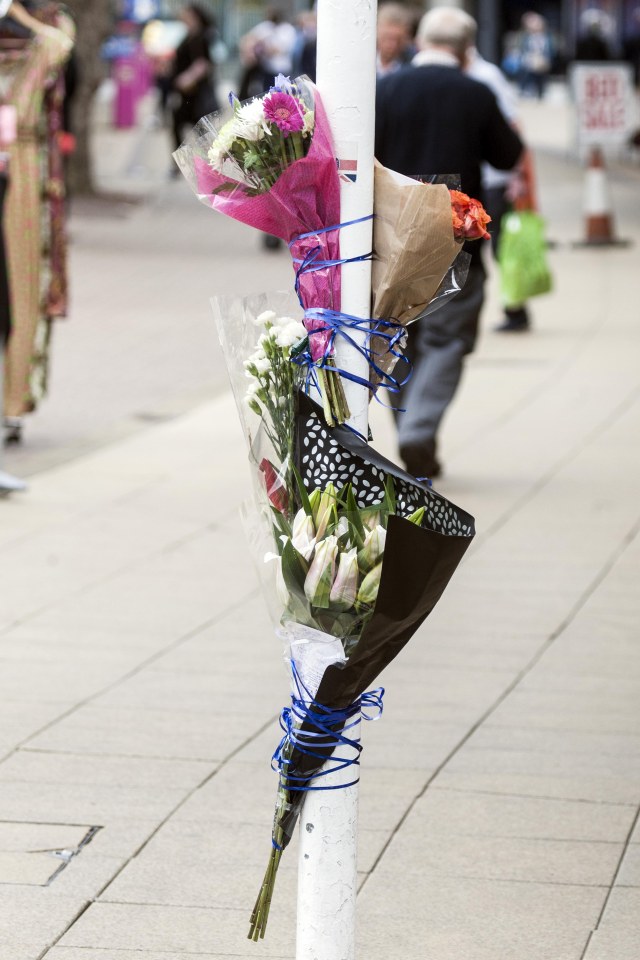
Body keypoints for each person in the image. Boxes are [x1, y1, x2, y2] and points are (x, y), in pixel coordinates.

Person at [375, 7, 523, 478]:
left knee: (397, 337)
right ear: (465, 52)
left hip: (394, 241)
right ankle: (420, 427)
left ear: (420, 43)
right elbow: (507, 153)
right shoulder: (475, 92)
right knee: (447, 340)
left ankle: (408, 429)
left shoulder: (385, 89)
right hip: (458, 239)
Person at [0, 0, 74, 443]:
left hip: (22, 173)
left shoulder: (45, 36)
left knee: (22, 284)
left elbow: (59, 43)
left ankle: (13, 398)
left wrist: (15, 13)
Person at [466, 45, 536, 333]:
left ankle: (516, 308)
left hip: (493, 179)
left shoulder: (487, 76)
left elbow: (513, 125)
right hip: (472, 177)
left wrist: (519, 175)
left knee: (501, 249)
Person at [170, 4, 217, 155]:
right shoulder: (189, 36)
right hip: (186, 95)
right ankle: (181, 162)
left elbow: (203, 64)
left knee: (202, 130)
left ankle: (209, 162)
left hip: (198, 93)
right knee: (179, 124)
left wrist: (187, 78)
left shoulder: (202, 37)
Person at [518, 12, 553, 99]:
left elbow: (550, 52)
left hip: (543, 63)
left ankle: (541, 91)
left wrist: (543, 60)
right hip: (528, 61)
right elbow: (522, 51)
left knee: (542, 68)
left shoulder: (547, 38)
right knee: (527, 67)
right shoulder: (525, 37)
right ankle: (525, 90)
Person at [376, 2, 412, 77]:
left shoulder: (412, 65)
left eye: (398, 40)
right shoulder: (363, 60)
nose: (392, 45)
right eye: (387, 38)